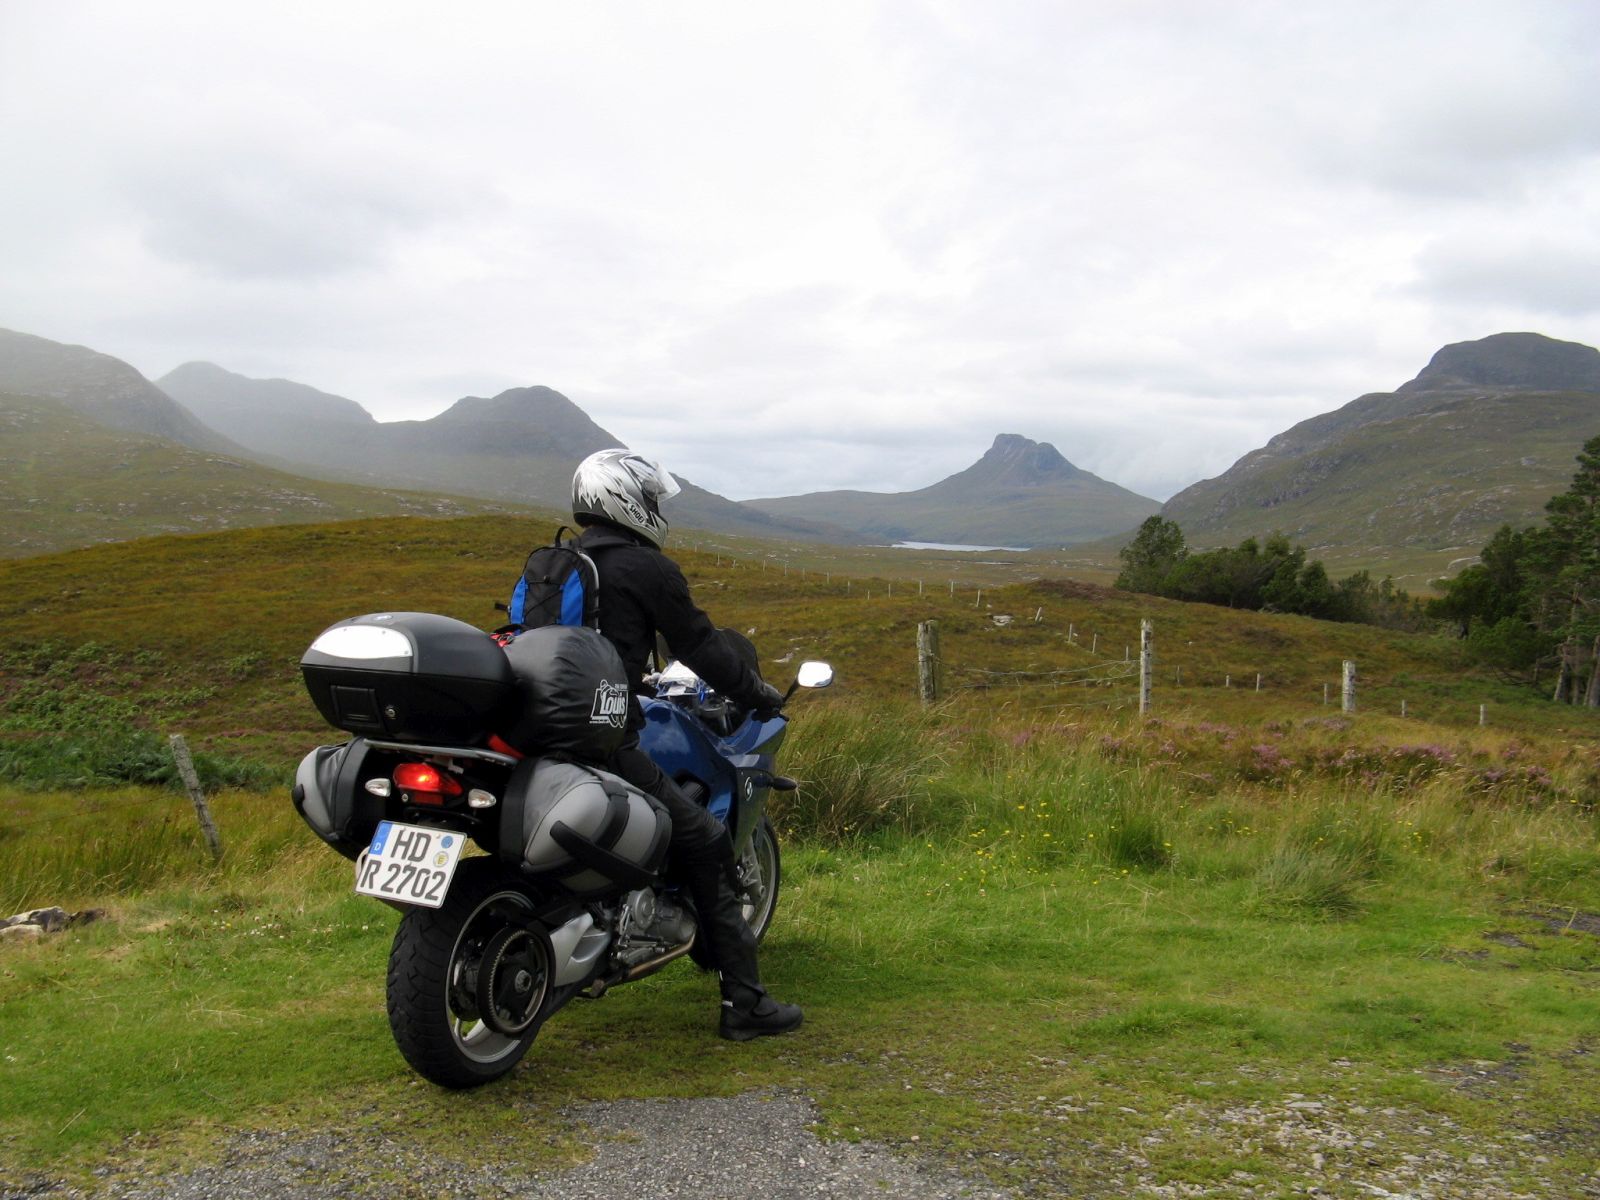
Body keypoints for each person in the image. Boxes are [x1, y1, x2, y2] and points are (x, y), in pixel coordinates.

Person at [568, 448, 803, 1041]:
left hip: (542, 734)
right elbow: (701, 647)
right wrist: (759, 690)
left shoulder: (556, 564)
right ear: (625, 499)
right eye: (649, 498)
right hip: (604, 742)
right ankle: (745, 1004)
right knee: (700, 840)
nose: (653, 509)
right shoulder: (645, 568)